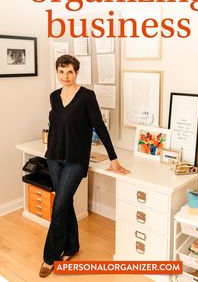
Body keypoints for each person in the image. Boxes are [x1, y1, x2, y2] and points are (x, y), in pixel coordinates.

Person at [39, 54, 130, 278]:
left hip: (75, 160)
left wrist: (113, 158)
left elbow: (99, 126)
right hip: (53, 157)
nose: (65, 76)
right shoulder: (53, 96)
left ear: (77, 72)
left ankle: (49, 257)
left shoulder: (87, 96)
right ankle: (71, 247)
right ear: (57, 72)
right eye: (61, 72)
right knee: (64, 203)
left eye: (70, 71)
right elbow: (56, 126)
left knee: (58, 207)